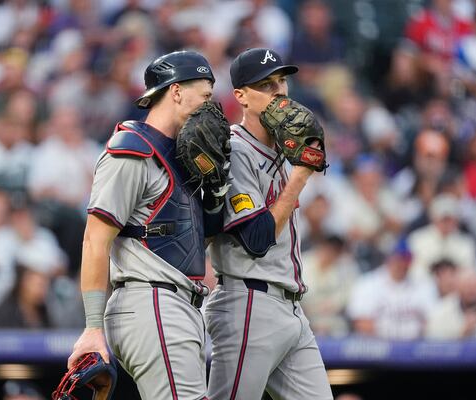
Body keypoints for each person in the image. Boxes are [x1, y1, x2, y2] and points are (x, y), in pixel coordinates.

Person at [67, 50, 226, 399]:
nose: (212, 107)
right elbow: (95, 240)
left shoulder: (187, 156)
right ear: (177, 92)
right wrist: (93, 327)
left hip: (177, 307)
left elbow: (194, 238)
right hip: (152, 301)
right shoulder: (132, 149)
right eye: (206, 95)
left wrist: (217, 193)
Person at [205, 47, 333, 400]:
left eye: (282, 81)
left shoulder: (281, 149)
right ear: (241, 96)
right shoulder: (234, 150)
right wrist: (301, 175)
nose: (279, 91)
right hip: (249, 303)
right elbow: (257, 239)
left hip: (291, 306)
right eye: (267, 84)